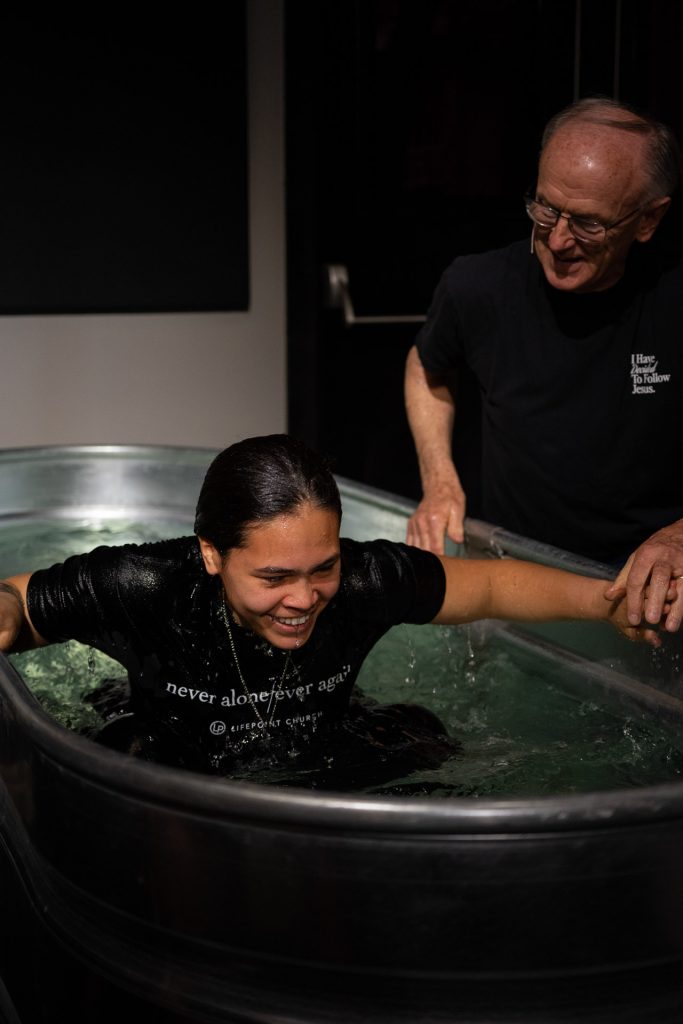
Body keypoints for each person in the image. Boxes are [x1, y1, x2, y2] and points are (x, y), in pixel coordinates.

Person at [0, 435, 667, 786]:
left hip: (313, 740)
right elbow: (19, 601)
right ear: (212, 554)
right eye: (273, 576)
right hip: (168, 747)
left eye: (322, 568)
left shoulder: (363, 579)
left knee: (418, 736)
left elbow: (487, 589)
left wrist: (602, 604)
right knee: (129, 757)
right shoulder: (149, 584)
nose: (303, 598)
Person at [404, 96, 683, 636]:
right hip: (518, 586)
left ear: (649, 219)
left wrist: (678, 536)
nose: (557, 240)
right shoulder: (478, 286)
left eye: (589, 225)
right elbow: (426, 365)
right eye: (546, 208)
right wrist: (439, 479)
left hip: (645, 598)